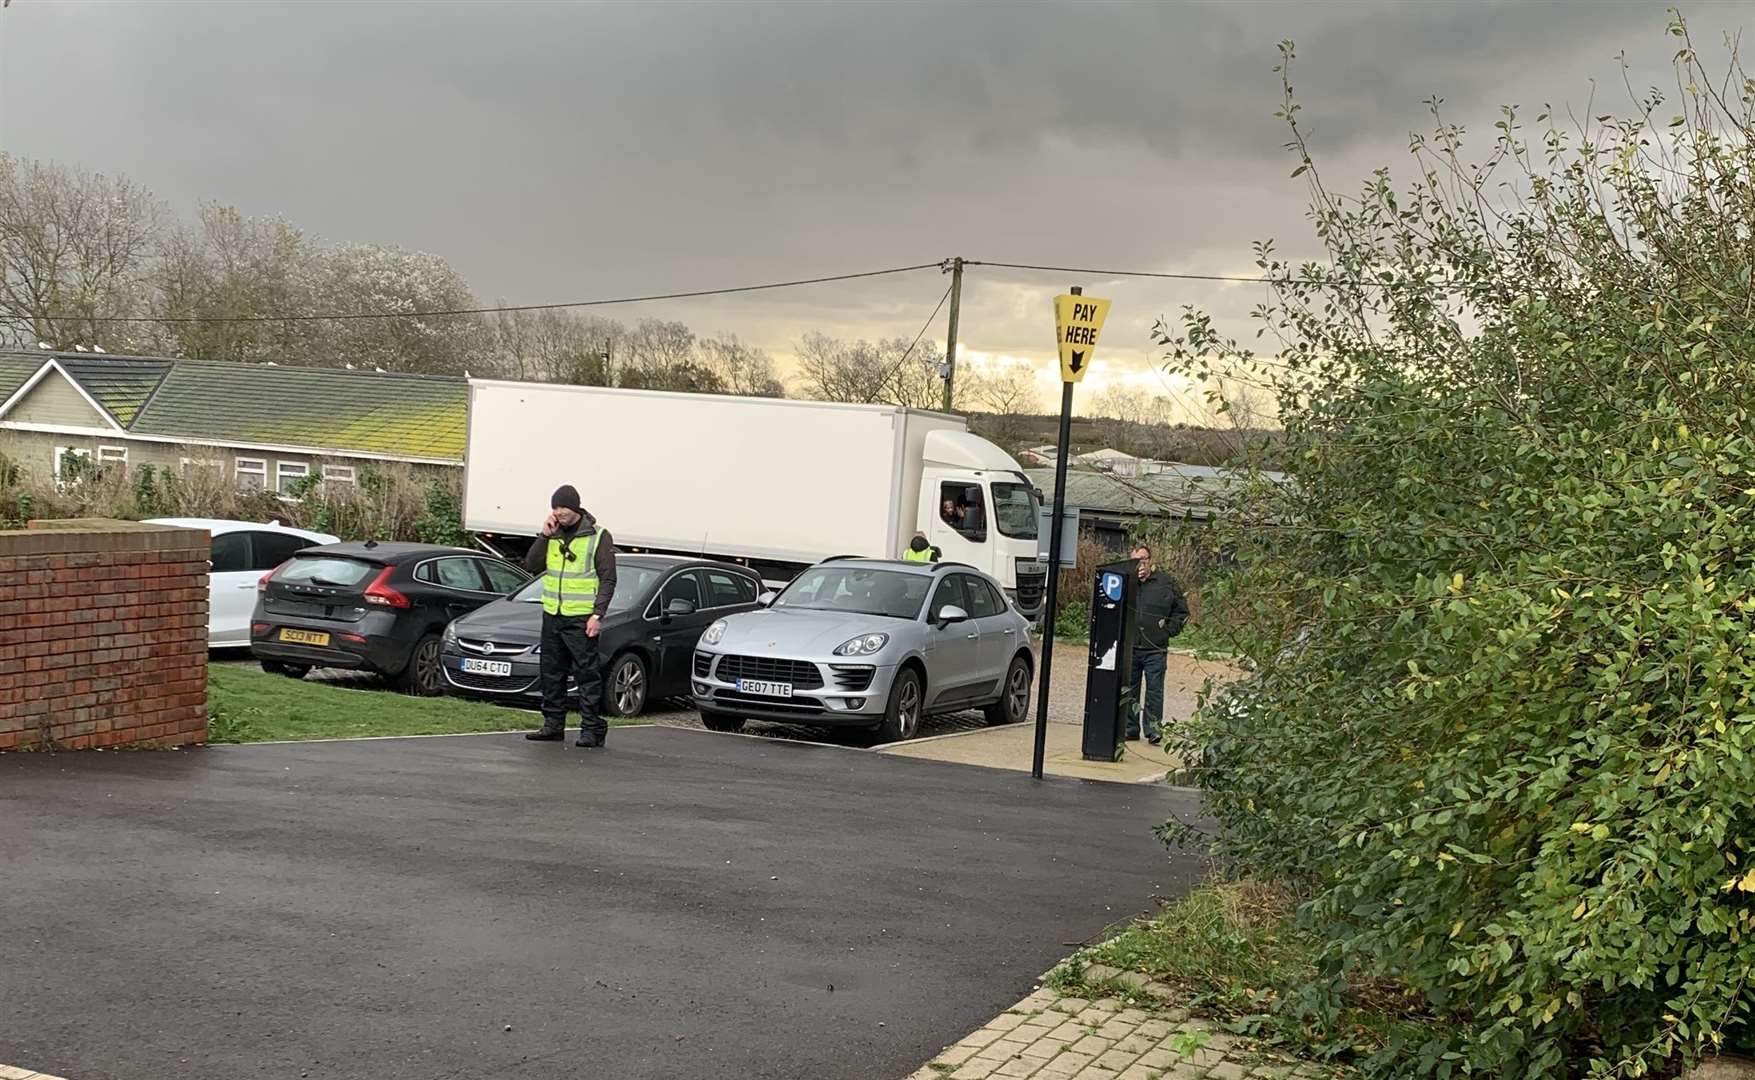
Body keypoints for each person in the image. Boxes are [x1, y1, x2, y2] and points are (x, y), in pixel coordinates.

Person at [523, 485, 618, 747]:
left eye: (563, 507)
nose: (558, 512)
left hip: (581, 618)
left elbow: (608, 579)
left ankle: (592, 728)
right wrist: (543, 535)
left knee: (587, 674)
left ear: (575, 507)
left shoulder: (598, 537)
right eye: (554, 507)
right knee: (551, 673)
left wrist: (597, 615)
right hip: (552, 614)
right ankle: (553, 725)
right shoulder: (552, 535)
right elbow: (531, 566)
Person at [1126, 544, 1188, 745]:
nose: (1139, 564)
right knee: (1129, 690)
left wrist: (1168, 631)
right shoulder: (1126, 581)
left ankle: (1153, 730)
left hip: (1155, 647)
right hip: (1131, 646)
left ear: (1150, 560)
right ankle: (1130, 728)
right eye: (1135, 561)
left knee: (1154, 691)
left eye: (1143, 560)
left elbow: (1181, 612)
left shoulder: (1166, 582)